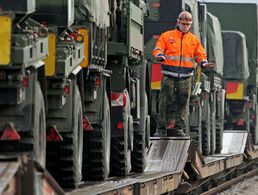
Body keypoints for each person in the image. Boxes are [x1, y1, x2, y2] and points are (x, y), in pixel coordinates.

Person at [152, 11, 215, 137]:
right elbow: (158, 48)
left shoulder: (193, 40)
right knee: (165, 100)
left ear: (190, 25)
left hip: (186, 77)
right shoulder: (167, 36)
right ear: (178, 22)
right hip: (169, 75)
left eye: (188, 24)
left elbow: (200, 54)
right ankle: (161, 129)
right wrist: (159, 55)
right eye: (183, 23)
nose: (185, 26)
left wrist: (203, 63)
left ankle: (178, 128)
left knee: (183, 102)